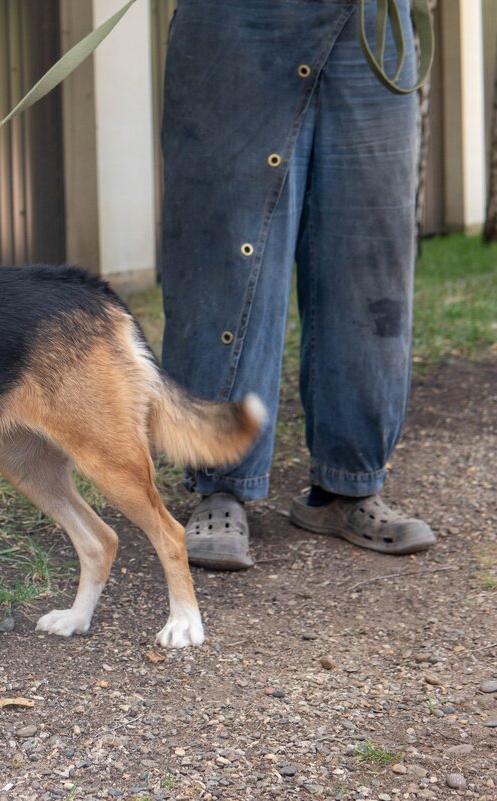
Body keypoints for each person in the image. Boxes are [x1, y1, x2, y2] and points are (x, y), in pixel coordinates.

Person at [159, 0, 437, 570]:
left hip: (369, 21)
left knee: (366, 250)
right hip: (237, 19)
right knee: (226, 248)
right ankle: (221, 485)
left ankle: (349, 484)